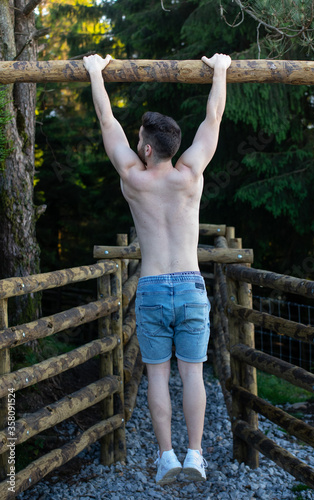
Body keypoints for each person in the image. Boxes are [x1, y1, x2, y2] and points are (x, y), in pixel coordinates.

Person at [83, 52, 231, 485]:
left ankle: (166, 458)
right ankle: (196, 456)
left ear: (146, 148)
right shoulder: (191, 174)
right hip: (189, 286)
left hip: (150, 287)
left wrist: (96, 72)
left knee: (158, 376)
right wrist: (220, 70)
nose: (134, 142)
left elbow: (105, 120)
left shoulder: (133, 177)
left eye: (139, 138)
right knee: (192, 375)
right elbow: (214, 116)